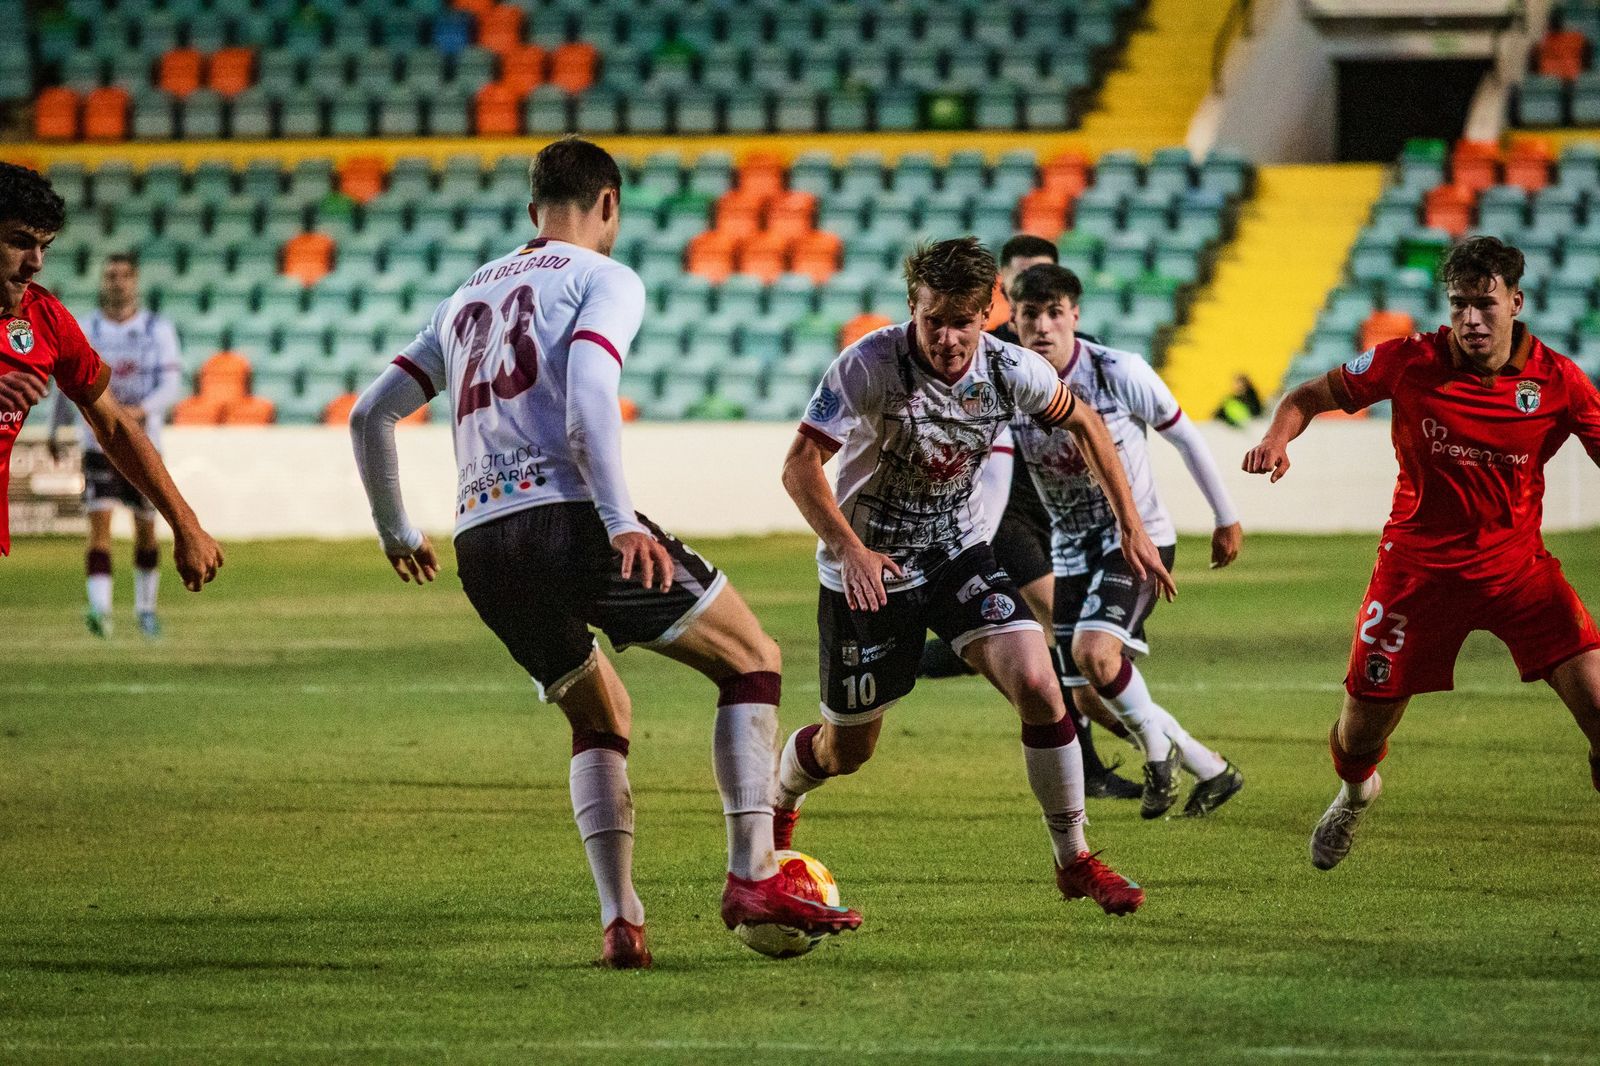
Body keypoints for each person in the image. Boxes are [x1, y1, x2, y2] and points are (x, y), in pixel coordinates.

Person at [347, 138, 861, 969]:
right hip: (569, 518)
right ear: (609, 203)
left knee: (601, 715)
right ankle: (752, 873)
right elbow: (589, 394)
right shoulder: (603, 277)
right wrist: (620, 521)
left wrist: (397, 530)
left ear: (531, 212)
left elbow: (369, 414)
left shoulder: (465, 295)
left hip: (483, 539)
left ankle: (622, 921)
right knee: (752, 659)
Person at [774, 237, 1176, 916]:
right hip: (870, 569)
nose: (949, 338)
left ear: (988, 312)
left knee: (1041, 686)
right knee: (847, 749)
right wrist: (849, 550)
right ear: (913, 307)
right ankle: (779, 801)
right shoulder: (868, 364)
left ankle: (1073, 858)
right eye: (935, 320)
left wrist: (1131, 523)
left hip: (956, 553)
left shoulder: (1009, 368)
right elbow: (798, 468)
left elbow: (1084, 420)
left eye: (964, 321)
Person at [1243, 235, 1600, 869]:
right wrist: (1277, 438)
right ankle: (1355, 794)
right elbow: (1307, 397)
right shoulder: (1409, 360)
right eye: (1459, 304)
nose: (1469, 319)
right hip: (1415, 574)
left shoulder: (1558, 382)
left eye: (1484, 305)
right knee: (1358, 737)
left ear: (1515, 302)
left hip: (1518, 573)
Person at [1003, 264, 1246, 819]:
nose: (1042, 326)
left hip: (1137, 540)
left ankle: (1158, 756)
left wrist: (1226, 517)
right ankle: (1210, 769)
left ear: (1075, 315)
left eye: (1054, 313)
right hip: (1068, 549)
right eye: (1029, 315)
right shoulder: (1009, 383)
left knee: (1095, 654)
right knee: (1087, 693)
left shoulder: (1117, 370)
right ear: (1013, 321)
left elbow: (1185, 436)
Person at [920, 234, 1143, 800]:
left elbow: (1096, 422)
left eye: (1045, 288)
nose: (1035, 307)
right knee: (1055, 636)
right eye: (1021, 290)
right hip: (1009, 518)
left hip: (1058, 518)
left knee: (1044, 640)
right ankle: (1101, 760)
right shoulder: (986, 351)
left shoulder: (1070, 353)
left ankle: (938, 652)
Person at [0, 162, 221, 592]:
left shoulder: (45, 320)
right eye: (19, 243)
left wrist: (184, 522)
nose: (36, 263)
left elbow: (116, 423)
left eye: (44, 246)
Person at [49, 253, 183, 639]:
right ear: (102, 281)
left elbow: (171, 386)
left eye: (124, 275)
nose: (117, 282)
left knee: (145, 529)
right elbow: (65, 384)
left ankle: (145, 610)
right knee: (100, 526)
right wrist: (57, 430)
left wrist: (138, 411)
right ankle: (101, 612)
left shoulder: (158, 329)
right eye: (111, 275)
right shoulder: (86, 328)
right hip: (97, 442)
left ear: (135, 281)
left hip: (144, 444)